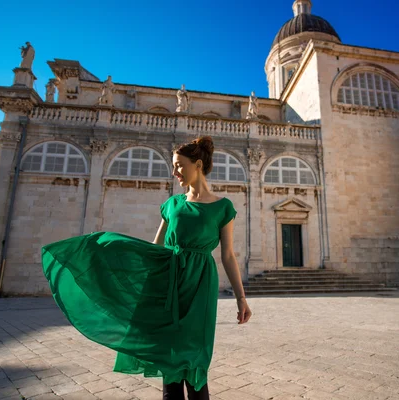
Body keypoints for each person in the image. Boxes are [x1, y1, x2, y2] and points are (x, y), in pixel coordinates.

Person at [42, 136, 252, 400]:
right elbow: (155, 248)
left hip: (200, 287)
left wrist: (241, 299)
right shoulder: (172, 205)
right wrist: (112, 252)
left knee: (195, 356)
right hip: (166, 284)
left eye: (179, 165)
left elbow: (229, 256)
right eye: (173, 166)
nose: (174, 171)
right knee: (168, 355)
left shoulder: (223, 207)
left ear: (197, 164)